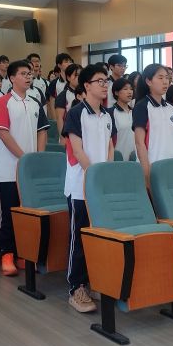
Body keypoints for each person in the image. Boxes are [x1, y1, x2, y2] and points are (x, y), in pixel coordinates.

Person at [62, 64, 116, 314]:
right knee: (79, 237)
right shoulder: (76, 113)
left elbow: (110, 147)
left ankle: (94, 281)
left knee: (98, 236)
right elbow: (77, 150)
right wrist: (94, 176)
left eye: (106, 81)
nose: (105, 85)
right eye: (99, 81)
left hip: (100, 186)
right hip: (80, 186)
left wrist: (106, 174)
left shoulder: (107, 115)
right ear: (86, 85)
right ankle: (76, 287)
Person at [0, 60, 48, 276]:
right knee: (8, 214)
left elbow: (42, 131)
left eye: (29, 74)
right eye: (23, 73)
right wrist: (24, 158)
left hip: (29, 173)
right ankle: (7, 253)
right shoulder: (3, 102)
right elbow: (3, 133)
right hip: (8, 170)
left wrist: (37, 157)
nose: (28, 77)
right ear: (12, 78)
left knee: (27, 215)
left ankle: (23, 253)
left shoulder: (34, 102)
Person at [133, 64, 173, 180]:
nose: (165, 81)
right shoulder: (142, 106)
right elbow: (140, 143)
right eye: (160, 78)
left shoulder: (171, 108)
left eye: (167, 78)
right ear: (148, 81)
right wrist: (147, 174)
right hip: (153, 170)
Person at [55, 64, 82, 143]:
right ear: (68, 77)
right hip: (69, 135)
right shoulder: (63, 95)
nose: (79, 78)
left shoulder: (86, 93)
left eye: (81, 75)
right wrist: (62, 138)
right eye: (76, 75)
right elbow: (59, 118)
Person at [109, 78, 135, 160]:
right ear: (116, 92)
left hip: (136, 159)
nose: (129, 92)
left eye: (131, 89)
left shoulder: (135, 112)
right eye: (125, 89)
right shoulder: (110, 113)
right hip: (118, 159)